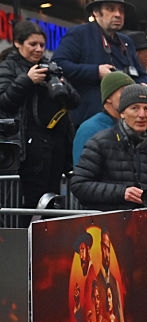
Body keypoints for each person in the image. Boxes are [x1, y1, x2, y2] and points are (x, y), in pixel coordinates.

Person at [0, 20, 80, 218]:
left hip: (55, 144)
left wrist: (61, 84)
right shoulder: (8, 66)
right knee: (30, 200)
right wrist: (27, 80)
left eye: (42, 45)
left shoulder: (50, 66)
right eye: (32, 44)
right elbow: (5, 103)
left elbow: (75, 102)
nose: (38, 49)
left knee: (52, 199)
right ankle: (27, 235)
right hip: (26, 147)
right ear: (18, 43)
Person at [51, 0, 147, 126]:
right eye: (111, 9)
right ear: (96, 12)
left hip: (124, 118)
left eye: (121, 10)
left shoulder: (126, 42)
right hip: (89, 117)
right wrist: (96, 71)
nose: (118, 14)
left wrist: (143, 85)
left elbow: (143, 74)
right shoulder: (79, 34)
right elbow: (57, 64)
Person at [73, 70, 134, 163]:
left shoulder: (135, 126)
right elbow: (82, 168)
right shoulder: (90, 129)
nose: (131, 97)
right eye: (124, 91)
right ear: (108, 97)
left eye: (132, 92)